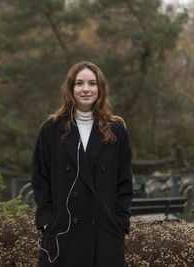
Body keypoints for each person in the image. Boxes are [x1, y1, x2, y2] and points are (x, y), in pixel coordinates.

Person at [31, 61, 133, 267]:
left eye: (92, 83)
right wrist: (47, 221)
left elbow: (124, 181)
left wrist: (120, 222)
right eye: (79, 83)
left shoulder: (116, 129)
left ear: (100, 89)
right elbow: (39, 178)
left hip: (105, 232)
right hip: (63, 231)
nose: (86, 89)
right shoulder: (51, 129)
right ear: (71, 89)